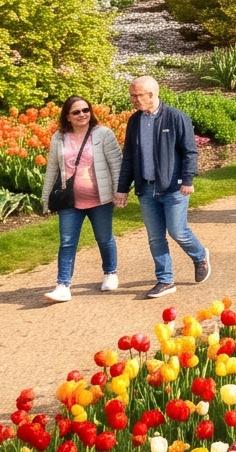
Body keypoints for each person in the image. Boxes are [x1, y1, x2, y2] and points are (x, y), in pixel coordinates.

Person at [116, 74, 208, 298]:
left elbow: (190, 151)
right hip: (146, 189)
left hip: (173, 187)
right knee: (155, 236)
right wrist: (122, 189)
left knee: (177, 231)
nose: (134, 100)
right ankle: (165, 280)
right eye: (132, 96)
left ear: (152, 94)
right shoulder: (134, 121)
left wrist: (187, 180)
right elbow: (128, 156)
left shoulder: (176, 118)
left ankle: (200, 256)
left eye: (137, 96)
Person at [42, 96, 121, 301]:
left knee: (104, 239)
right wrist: (45, 197)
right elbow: (52, 168)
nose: (82, 115)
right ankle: (63, 286)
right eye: (76, 112)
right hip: (70, 201)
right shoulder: (59, 138)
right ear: (67, 116)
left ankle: (110, 273)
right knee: (67, 242)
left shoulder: (103, 134)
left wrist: (120, 191)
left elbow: (116, 165)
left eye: (85, 110)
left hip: (100, 199)